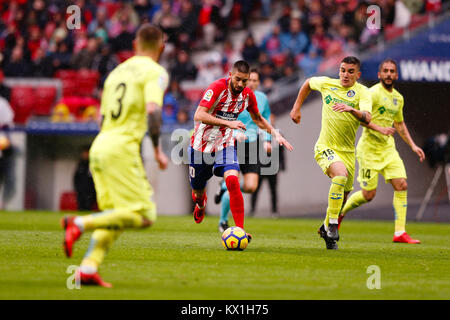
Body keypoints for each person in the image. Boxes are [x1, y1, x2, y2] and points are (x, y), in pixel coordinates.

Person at [61, 24, 170, 287]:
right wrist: (156, 149)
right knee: (145, 215)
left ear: (134, 45)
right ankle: (79, 222)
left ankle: (87, 269)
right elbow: (153, 110)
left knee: (116, 215)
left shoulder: (115, 73)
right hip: (121, 148)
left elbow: (100, 117)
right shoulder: (155, 72)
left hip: (100, 144)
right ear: (162, 47)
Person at [189, 60, 293, 242]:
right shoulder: (217, 88)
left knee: (232, 180)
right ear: (230, 75)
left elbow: (259, 119)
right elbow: (199, 115)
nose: (240, 84)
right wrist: (228, 123)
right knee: (197, 191)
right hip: (201, 146)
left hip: (225, 144)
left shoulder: (248, 95)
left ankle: (240, 230)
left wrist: (275, 134)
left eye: (244, 81)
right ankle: (200, 202)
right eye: (238, 79)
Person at [290, 56, 372, 250]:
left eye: (350, 71)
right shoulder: (328, 84)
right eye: (343, 70)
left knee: (343, 195)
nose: (345, 74)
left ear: (358, 74)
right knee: (340, 175)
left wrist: (352, 109)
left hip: (348, 152)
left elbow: (367, 117)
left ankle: (326, 228)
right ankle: (333, 223)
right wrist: (296, 107)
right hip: (326, 146)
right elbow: (308, 83)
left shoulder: (363, 92)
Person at [339, 58, 425, 244]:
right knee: (368, 195)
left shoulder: (398, 98)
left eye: (391, 71)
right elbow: (361, 119)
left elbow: (400, 124)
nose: (388, 74)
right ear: (379, 75)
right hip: (369, 149)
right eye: (385, 71)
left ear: (396, 75)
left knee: (401, 184)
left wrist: (413, 146)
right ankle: (340, 212)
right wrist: (380, 129)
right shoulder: (372, 93)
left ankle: (400, 232)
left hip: (388, 149)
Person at [214, 68, 273, 232]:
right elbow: (225, 117)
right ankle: (223, 221)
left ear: (258, 82)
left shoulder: (261, 98)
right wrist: (233, 133)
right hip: (234, 142)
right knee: (234, 182)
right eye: (249, 80)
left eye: (255, 80)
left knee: (251, 186)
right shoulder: (236, 97)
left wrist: (268, 140)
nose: (251, 83)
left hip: (253, 144)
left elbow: (265, 118)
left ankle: (225, 187)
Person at [73, 145, 97, 211]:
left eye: (87, 153)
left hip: (90, 193)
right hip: (81, 192)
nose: (85, 154)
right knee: (81, 208)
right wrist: (77, 189)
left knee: (88, 208)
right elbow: (76, 178)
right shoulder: (80, 164)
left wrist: (93, 191)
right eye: (84, 153)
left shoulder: (92, 164)